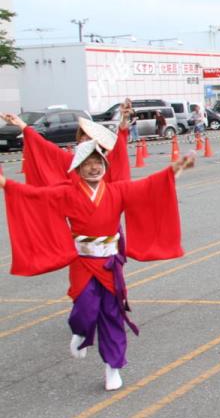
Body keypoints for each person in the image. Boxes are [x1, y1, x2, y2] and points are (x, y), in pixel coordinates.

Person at [0, 142, 194, 391]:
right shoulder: (66, 193)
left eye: (98, 163)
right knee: (84, 306)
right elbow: (35, 196)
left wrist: (176, 168)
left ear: (105, 166)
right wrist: (5, 183)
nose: (94, 168)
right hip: (82, 262)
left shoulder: (117, 190)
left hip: (109, 265)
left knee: (112, 315)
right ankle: (81, 331)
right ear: (78, 170)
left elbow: (148, 187)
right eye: (88, 164)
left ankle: (112, 367)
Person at [1, 113, 131, 186]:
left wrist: (123, 125)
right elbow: (44, 147)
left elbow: (119, 153)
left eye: (89, 139)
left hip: (109, 229)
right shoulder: (70, 161)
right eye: (82, 139)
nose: (84, 142)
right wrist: (22, 125)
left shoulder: (105, 163)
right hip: (78, 230)